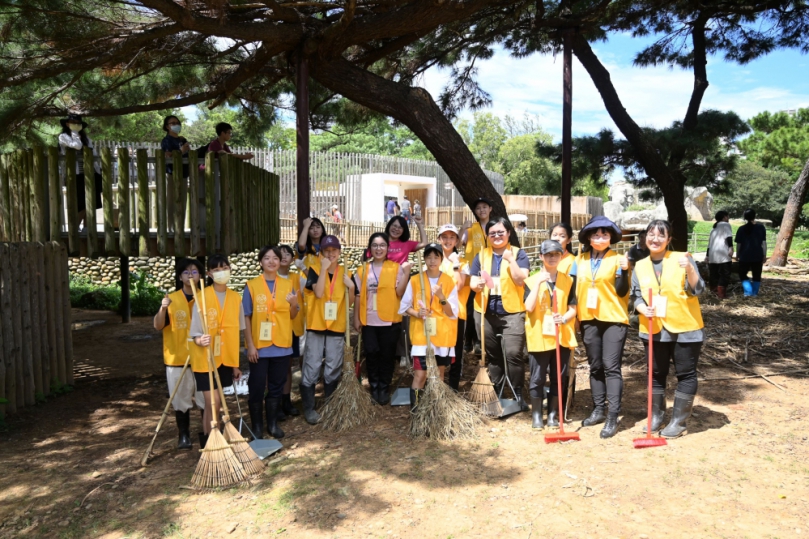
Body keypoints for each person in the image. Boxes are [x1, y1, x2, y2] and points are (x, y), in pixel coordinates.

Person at [631, 220, 705, 438]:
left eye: (661, 235)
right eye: (651, 234)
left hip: (685, 327)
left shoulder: (683, 258)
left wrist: (690, 269)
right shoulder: (640, 265)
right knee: (655, 373)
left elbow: (697, 289)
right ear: (645, 237)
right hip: (653, 327)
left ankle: (679, 422)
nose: (655, 239)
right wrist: (642, 308)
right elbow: (635, 295)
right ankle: (656, 416)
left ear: (669, 239)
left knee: (686, 373)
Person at [575, 216, 630, 439]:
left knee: (611, 366)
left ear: (611, 238)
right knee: (595, 366)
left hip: (613, 318)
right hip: (588, 317)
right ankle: (598, 409)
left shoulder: (618, 259)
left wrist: (625, 271)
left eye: (604, 235)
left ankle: (612, 416)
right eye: (596, 234)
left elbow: (622, 290)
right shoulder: (579, 260)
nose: (600, 238)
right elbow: (573, 289)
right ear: (588, 237)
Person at [470, 217, 530, 412]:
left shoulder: (519, 254)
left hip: (512, 312)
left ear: (508, 233)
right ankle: (497, 389)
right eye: (492, 233)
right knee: (493, 355)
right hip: (485, 312)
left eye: (500, 232)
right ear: (487, 235)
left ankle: (517, 392)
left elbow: (521, 280)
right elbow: (472, 282)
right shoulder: (481, 255)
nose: (496, 236)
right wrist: (477, 285)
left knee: (513, 354)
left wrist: (510, 260)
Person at [242, 246, 299, 440]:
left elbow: (293, 315)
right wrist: (250, 345)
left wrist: (294, 304)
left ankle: (273, 424)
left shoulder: (288, 285)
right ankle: (257, 427)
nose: (272, 261)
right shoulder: (251, 286)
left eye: (275, 258)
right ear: (261, 262)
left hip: (282, 345)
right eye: (267, 258)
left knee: (276, 386)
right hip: (259, 347)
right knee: (257, 386)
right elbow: (246, 317)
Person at [189, 255, 244, 448]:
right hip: (205, 358)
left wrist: (235, 365)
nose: (222, 272)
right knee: (214, 402)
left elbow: (236, 333)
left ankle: (211, 441)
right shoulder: (201, 297)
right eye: (217, 269)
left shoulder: (236, 298)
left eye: (225, 268)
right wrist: (199, 340)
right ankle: (213, 443)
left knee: (214, 403)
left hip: (224, 358)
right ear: (210, 274)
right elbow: (194, 333)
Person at [398, 243, 459, 413]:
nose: (432, 260)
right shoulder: (415, 280)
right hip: (421, 336)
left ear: (441, 259)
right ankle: (416, 412)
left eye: (436, 257)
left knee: (438, 376)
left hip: (442, 335)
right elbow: (404, 307)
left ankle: (436, 412)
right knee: (420, 375)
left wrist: (441, 296)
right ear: (424, 259)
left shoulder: (448, 281)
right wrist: (417, 313)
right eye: (429, 257)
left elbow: (452, 312)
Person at [301, 235, 355, 424]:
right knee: (312, 364)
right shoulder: (314, 270)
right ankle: (309, 409)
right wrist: (323, 269)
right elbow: (318, 293)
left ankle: (330, 405)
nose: (331, 254)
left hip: (336, 326)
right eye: (327, 251)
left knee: (333, 365)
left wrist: (351, 288)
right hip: (316, 325)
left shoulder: (346, 272)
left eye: (334, 250)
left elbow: (350, 302)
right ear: (321, 252)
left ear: (339, 251)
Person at [524, 240, 578, 429]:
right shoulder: (531, 280)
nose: (552, 257)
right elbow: (528, 307)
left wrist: (563, 318)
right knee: (537, 377)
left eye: (556, 254)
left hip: (560, 335)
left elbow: (573, 309)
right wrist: (538, 283)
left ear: (561, 256)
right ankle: (537, 415)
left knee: (559, 376)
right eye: (548, 254)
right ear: (541, 256)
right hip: (539, 335)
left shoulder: (568, 280)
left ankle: (554, 414)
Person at [153, 258, 205, 450]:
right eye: (186, 272)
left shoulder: (206, 297)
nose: (190, 275)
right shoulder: (171, 299)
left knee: (204, 398)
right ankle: (184, 435)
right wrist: (163, 308)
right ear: (179, 277)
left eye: (194, 272)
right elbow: (158, 325)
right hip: (177, 358)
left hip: (202, 357)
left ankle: (208, 433)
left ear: (200, 276)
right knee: (180, 399)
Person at [352, 233, 409, 404]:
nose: (379, 248)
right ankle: (374, 386)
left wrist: (406, 273)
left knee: (387, 355)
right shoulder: (362, 269)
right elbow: (357, 296)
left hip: (390, 320)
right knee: (371, 353)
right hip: (369, 320)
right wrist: (356, 318)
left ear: (387, 248)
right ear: (370, 248)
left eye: (382, 245)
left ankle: (384, 387)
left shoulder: (395, 268)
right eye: (375, 245)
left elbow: (399, 292)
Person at [437, 224, 471, 391]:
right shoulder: (434, 261)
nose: (448, 240)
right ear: (439, 239)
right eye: (444, 237)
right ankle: (438, 387)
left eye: (452, 237)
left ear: (457, 241)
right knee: (437, 350)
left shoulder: (463, 263)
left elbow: (458, 285)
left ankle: (453, 389)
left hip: (456, 314)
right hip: (436, 313)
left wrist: (456, 264)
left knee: (456, 352)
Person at [58, 114, 103, 229]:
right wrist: (74, 132)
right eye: (73, 123)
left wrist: (98, 171)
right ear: (67, 124)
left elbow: (93, 154)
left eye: (78, 123)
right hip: (75, 175)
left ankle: (87, 229)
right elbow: (77, 146)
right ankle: (74, 228)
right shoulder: (63, 137)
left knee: (91, 202)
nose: (75, 125)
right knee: (80, 203)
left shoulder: (87, 139)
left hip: (90, 173)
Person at [461, 197, 492, 353]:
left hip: (492, 273)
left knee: (487, 306)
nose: (482, 210)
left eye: (485, 207)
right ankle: (469, 339)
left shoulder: (496, 228)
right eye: (478, 208)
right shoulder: (471, 228)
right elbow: (459, 242)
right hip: (474, 274)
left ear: (490, 209)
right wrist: (463, 228)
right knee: (471, 307)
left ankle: (483, 341)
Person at [277, 245, 304, 420]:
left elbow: (312, 285)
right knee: (274, 367)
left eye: (288, 254)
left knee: (287, 365)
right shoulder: (270, 279)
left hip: (292, 326)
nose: (285, 257)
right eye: (281, 254)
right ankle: (274, 402)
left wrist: (304, 267)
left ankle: (286, 401)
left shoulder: (296, 278)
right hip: (275, 328)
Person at [735, 209, 767, 297]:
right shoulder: (761, 228)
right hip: (757, 255)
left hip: (744, 255)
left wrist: (737, 254)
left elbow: (739, 244)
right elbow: (764, 243)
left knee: (742, 274)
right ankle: (754, 293)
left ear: (744, 217)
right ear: (754, 216)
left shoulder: (741, 229)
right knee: (757, 274)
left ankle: (748, 291)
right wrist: (764, 254)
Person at [707, 211, 733, 299]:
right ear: (724, 217)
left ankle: (713, 293)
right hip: (723, 254)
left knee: (713, 274)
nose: (728, 218)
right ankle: (721, 294)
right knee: (725, 274)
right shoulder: (726, 225)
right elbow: (729, 237)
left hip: (712, 255)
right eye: (728, 216)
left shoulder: (713, 229)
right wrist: (730, 248)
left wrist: (707, 255)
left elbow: (709, 244)